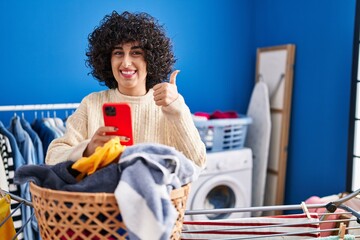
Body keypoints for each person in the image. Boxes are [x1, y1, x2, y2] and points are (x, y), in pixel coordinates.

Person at [45, 11, 206, 168]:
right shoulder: (91, 103)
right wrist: (87, 150)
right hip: (101, 194)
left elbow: (198, 161)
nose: (126, 63)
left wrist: (177, 109)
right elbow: (52, 156)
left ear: (150, 59)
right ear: (108, 60)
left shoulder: (170, 106)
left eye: (136, 53)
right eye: (118, 53)